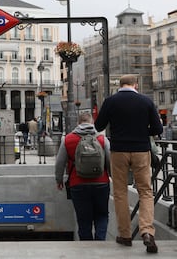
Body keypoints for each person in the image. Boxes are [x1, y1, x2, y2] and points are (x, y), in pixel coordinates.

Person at [95, 74, 163, 253]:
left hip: (119, 151)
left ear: (120, 85)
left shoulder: (111, 101)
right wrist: (142, 130)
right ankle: (147, 231)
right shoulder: (146, 101)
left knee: (120, 192)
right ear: (135, 84)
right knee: (145, 191)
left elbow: (99, 125)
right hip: (141, 151)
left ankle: (125, 235)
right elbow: (158, 129)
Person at [55, 112, 111, 240]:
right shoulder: (102, 139)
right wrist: (111, 176)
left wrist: (59, 180)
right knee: (102, 215)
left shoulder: (68, 139)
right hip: (101, 183)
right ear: (92, 123)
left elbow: (60, 163)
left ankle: (87, 248)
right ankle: (100, 242)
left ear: (78, 123)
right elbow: (110, 162)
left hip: (77, 184)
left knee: (83, 219)